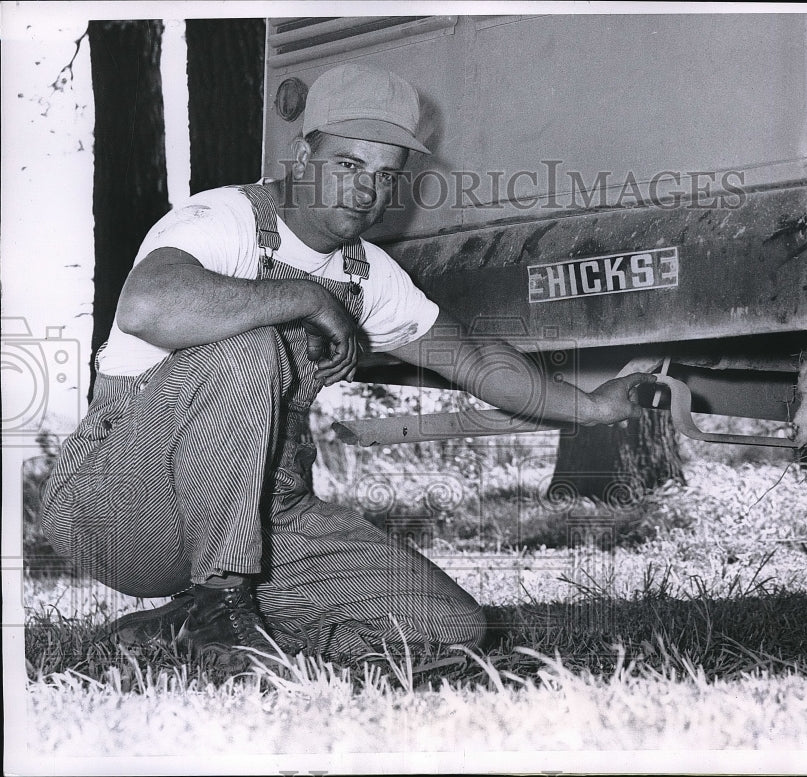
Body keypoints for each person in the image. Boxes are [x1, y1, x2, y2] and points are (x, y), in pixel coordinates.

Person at [40, 62, 653, 664]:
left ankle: (193, 620)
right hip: (120, 506)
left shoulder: (369, 275)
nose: (367, 190)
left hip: (258, 517)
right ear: (302, 154)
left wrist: (595, 407)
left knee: (450, 627)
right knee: (250, 344)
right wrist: (307, 296)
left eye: (386, 175)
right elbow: (146, 306)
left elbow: (472, 358)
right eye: (348, 164)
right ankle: (222, 599)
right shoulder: (223, 219)